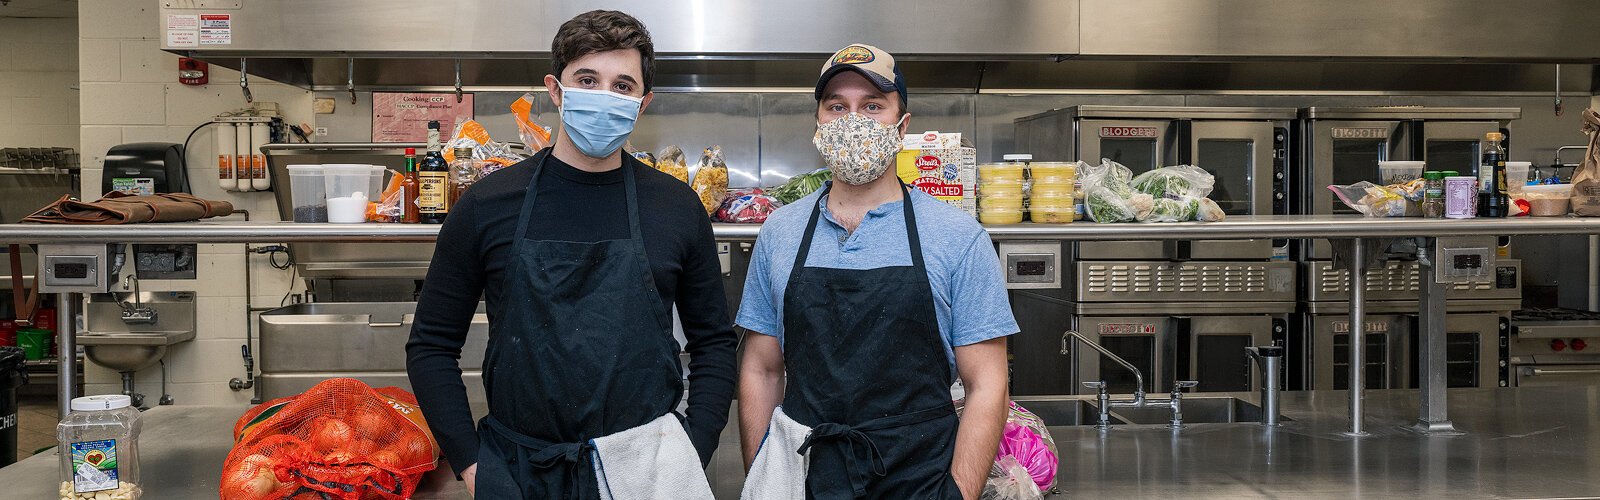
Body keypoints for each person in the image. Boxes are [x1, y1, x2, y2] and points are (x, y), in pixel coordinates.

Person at [405, 10, 736, 499]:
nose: (605, 97)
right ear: (555, 91)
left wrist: (694, 446)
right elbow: (431, 345)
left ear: (642, 105)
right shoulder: (486, 205)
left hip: (650, 471)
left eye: (622, 86)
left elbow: (714, 344)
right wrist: (473, 466)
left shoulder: (676, 208)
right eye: (587, 80)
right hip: (519, 473)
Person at [736, 44, 1017, 500]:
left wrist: (957, 492)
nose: (854, 121)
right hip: (806, 474)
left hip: (919, 475)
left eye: (872, 106)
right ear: (818, 124)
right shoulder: (779, 232)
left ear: (901, 126)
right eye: (837, 107)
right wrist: (763, 478)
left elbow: (987, 383)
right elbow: (762, 370)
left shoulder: (957, 236)